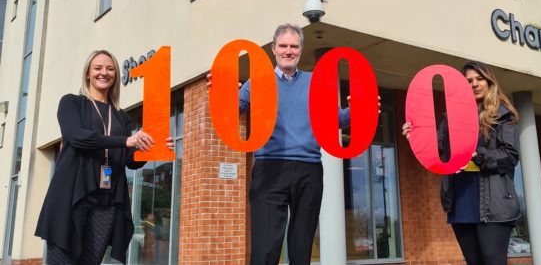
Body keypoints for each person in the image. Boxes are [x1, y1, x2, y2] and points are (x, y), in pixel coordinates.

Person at [207, 24, 351, 265]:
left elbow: (334, 119)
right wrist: (221, 95)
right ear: (273, 49)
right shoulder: (258, 82)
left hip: (309, 170)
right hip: (269, 169)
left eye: (294, 46)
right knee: (265, 250)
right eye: (283, 46)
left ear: (301, 50)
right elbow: (234, 111)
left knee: (301, 250)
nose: (288, 51)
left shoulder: (315, 82)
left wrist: (356, 111)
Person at [35, 50, 174, 264]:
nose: (104, 73)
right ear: (88, 74)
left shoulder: (121, 117)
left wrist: (151, 149)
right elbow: (77, 137)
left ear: (116, 75)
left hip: (106, 204)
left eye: (110, 69)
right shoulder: (72, 103)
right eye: (98, 68)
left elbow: (130, 159)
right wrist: (125, 141)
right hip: (71, 199)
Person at [403, 61, 521, 265]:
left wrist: (478, 155)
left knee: (492, 260)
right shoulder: (451, 117)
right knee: (473, 262)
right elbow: (438, 150)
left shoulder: (503, 115)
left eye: (479, 79)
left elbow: (510, 156)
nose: (474, 84)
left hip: (494, 202)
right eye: (469, 81)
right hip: (462, 199)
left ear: (489, 82)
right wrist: (415, 136)